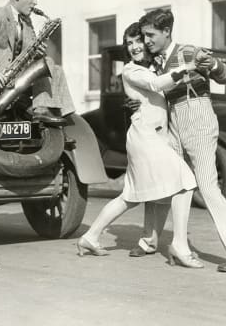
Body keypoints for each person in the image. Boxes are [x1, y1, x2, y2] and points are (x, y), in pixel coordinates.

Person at [131, 8, 226, 272]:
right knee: (167, 181)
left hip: (197, 117)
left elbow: (224, 76)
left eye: (151, 35)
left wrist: (212, 64)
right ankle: (150, 240)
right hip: (174, 121)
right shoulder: (155, 62)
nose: (146, 41)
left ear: (167, 32)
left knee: (207, 186)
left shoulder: (188, 51)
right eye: (144, 36)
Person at [77, 22, 203, 269]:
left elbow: (157, 88)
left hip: (152, 137)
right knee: (185, 182)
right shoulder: (131, 70)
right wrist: (188, 67)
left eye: (138, 41)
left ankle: (89, 237)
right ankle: (179, 245)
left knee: (130, 196)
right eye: (129, 43)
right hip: (144, 137)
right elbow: (157, 85)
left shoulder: (152, 68)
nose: (134, 47)